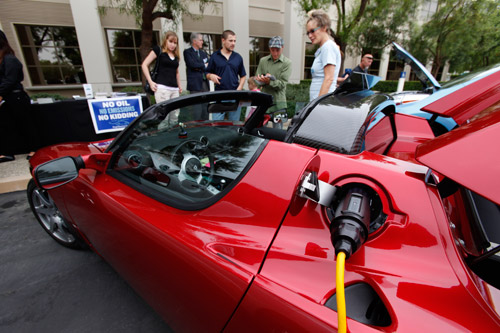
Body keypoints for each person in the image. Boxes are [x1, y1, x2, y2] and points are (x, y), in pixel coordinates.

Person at [0, 30, 36, 163]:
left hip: (16, 96)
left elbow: (10, 80)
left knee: (26, 124)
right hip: (6, 97)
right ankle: (7, 152)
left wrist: (1, 93)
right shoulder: (3, 59)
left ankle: (34, 149)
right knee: (6, 125)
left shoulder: (10, 59)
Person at [206, 30, 246, 120]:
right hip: (219, 96)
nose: (233, 43)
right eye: (230, 41)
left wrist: (239, 89)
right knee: (216, 125)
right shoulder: (215, 56)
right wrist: (211, 76)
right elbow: (206, 73)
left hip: (234, 96)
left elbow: (243, 76)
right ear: (223, 40)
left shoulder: (238, 57)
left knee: (234, 126)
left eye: (235, 41)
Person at [255, 36, 292, 128]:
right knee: (261, 129)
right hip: (264, 102)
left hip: (279, 104)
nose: (275, 53)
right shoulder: (263, 61)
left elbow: (282, 84)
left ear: (282, 48)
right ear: (269, 48)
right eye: (272, 50)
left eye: (277, 50)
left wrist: (269, 82)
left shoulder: (287, 63)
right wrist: (261, 80)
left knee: (278, 131)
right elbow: (257, 79)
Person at [306, 9, 342, 101]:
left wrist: (316, 105)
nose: (310, 35)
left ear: (324, 28)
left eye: (312, 31)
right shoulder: (324, 48)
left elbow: (329, 79)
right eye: (308, 33)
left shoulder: (328, 47)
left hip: (322, 104)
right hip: (321, 103)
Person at [142, 31, 182, 103]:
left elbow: (177, 72)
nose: (172, 45)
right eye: (170, 41)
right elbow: (144, 65)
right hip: (162, 88)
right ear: (165, 40)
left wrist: (179, 85)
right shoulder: (158, 50)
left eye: (175, 43)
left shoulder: (176, 55)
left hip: (174, 89)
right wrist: (151, 82)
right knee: (164, 113)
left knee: (175, 114)